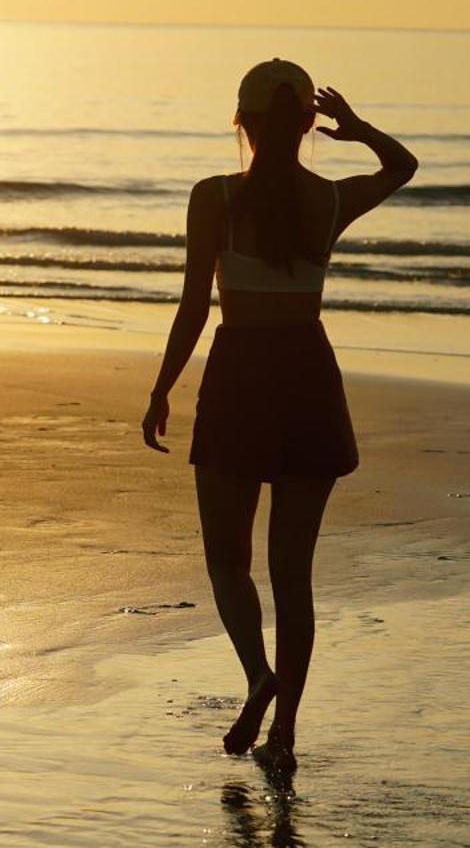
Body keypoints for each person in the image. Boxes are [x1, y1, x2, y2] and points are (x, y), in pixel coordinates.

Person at [140, 60, 417, 773]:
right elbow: (403, 165)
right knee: (292, 574)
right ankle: (285, 731)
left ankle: (258, 676)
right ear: (304, 123)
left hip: (239, 381)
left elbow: (196, 306)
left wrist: (161, 389)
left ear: (242, 122)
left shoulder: (214, 198)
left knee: (227, 560)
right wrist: (356, 131)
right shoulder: (328, 201)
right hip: (308, 381)